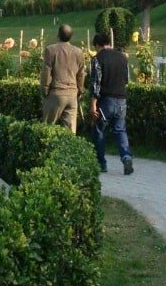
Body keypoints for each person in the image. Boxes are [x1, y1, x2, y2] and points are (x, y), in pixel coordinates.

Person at [89, 32, 134, 175]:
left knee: (99, 130)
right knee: (120, 130)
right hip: (122, 99)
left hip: (106, 100)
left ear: (97, 45)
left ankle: (101, 163)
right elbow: (127, 79)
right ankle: (126, 156)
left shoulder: (98, 58)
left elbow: (96, 83)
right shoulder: (122, 57)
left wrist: (93, 104)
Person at [40, 24, 86, 132]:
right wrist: (80, 91)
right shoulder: (78, 52)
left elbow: (46, 74)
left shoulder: (51, 50)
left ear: (58, 35)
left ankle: (47, 148)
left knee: (47, 129)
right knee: (70, 132)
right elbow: (81, 74)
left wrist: (44, 91)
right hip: (72, 94)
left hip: (56, 92)